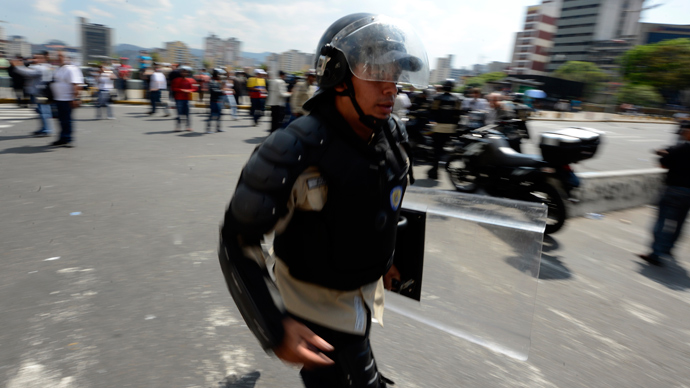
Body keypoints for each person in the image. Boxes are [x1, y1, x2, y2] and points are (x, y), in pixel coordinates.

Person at [218, 13, 428, 387]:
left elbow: (385, 199)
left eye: (395, 75)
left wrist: (390, 258)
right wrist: (274, 325)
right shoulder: (295, 148)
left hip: (361, 298)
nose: (391, 88)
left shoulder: (393, 135)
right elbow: (236, 240)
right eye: (377, 73)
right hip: (313, 309)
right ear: (339, 77)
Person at [638, 121, 690, 267]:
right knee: (679, 223)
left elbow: (663, 165)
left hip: (674, 189)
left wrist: (663, 154)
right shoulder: (678, 148)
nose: (683, 133)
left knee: (662, 221)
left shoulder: (679, 148)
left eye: (685, 131)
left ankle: (656, 253)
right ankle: (668, 249)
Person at [9, 52, 54, 136]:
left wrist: (17, 65)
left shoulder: (41, 68)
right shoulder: (45, 67)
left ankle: (46, 130)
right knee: (41, 111)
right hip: (40, 92)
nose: (34, 59)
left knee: (43, 112)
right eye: (34, 57)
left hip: (40, 93)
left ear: (43, 59)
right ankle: (44, 128)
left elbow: (28, 73)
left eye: (36, 58)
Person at [427, 79, 462, 179]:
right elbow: (458, 115)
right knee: (445, 149)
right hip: (450, 128)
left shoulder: (437, 98)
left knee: (436, 150)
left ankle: (434, 171)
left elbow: (432, 112)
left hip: (438, 127)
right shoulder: (457, 100)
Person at [49, 51, 84, 147]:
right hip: (58, 99)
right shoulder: (58, 69)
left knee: (66, 120)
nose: (58, 58)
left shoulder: (71, 69)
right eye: (57, 56)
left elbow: (76, 84)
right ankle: (62, 138)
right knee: (60, 120)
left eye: (61, 56)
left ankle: (68, 139)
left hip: (67, 99)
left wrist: (75, 98)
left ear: (67, 58)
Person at [171, 66, 196, 132]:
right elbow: (173, 88)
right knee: (179, 113)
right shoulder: (176, 80)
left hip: (187, 98)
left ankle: (188, 126)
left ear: (188, 73)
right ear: (180, 72)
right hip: (179, 98)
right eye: (183, 72)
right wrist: (182, 90)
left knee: (187, 113)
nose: (184, 73)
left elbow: (195, 88)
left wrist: (189, 90)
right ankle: (178, 127)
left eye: (186, 72)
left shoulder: (191, 80)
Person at [206, 68, 225, 133]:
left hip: (219, 100)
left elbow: (221, 88)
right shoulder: (211, 81)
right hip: (214, 101)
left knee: (219, 115)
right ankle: (208, 129)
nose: (221, 76)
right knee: (212, 115)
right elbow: (213, 90)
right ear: (216, 74)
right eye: (220, 74)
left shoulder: (219, 81)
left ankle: (218, 128)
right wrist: (221, 91)